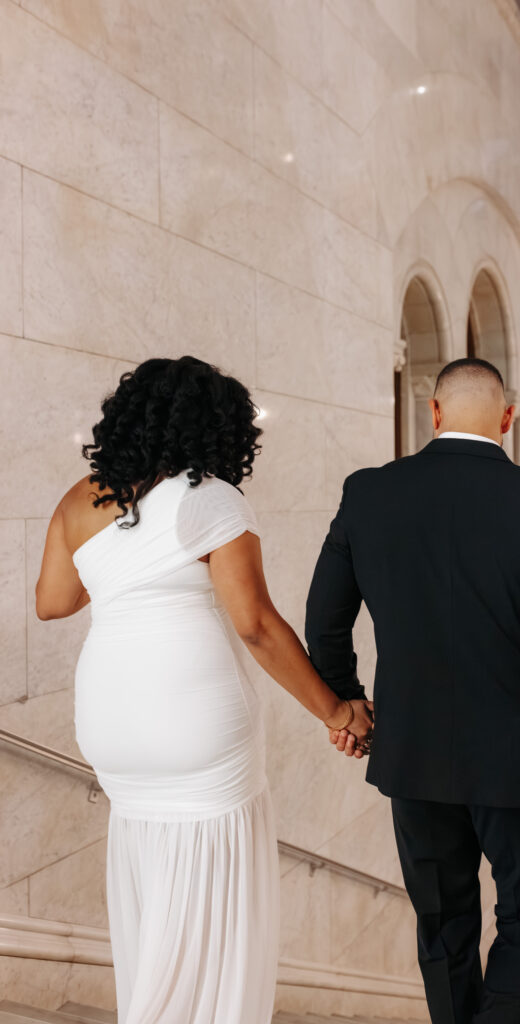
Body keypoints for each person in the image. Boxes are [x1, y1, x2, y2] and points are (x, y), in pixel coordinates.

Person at [305, 356, 520, 1024]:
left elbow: (324, 623)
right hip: (519, 759)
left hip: (412, 754)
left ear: (433, 412)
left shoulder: (368, 494)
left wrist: (346, 703)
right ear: (508, 419)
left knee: (441, 920)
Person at [34, 354, 373, 1024]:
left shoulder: (80, 497)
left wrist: (119, 564)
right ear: (217, 430)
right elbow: (255, 625)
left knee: (150, 877)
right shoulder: (211, 496)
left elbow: (53, 602)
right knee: (217, 887)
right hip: (194, 722)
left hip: (110, 723)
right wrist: (336, 709)